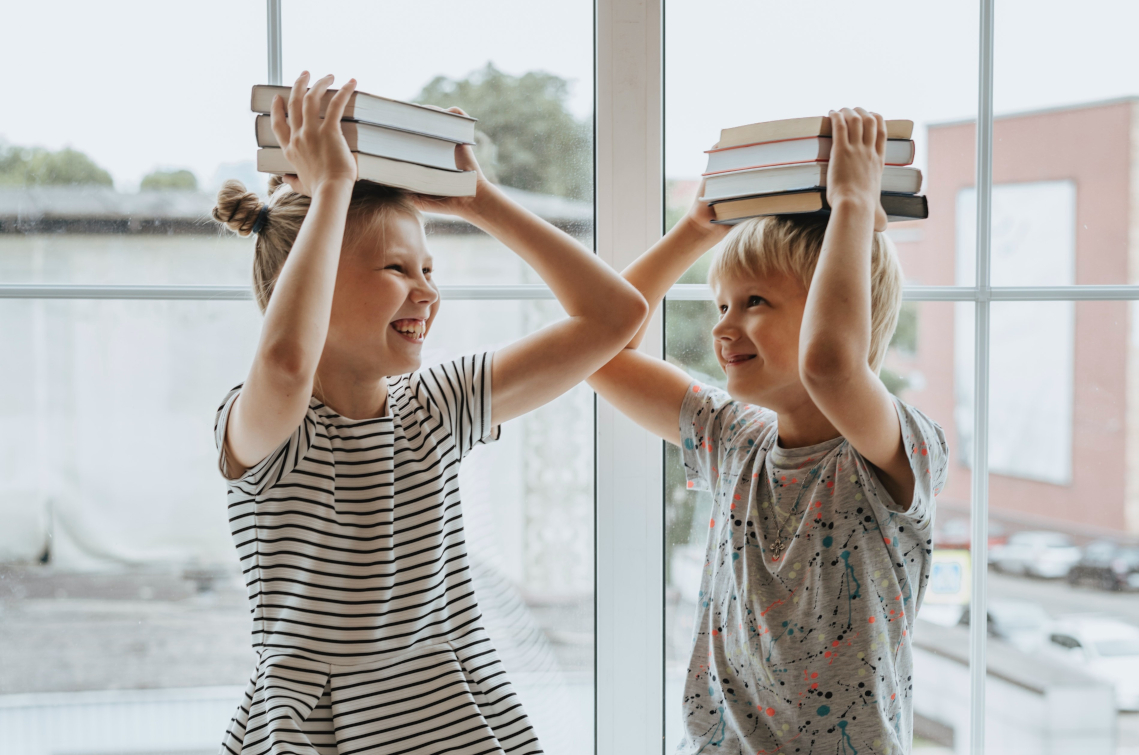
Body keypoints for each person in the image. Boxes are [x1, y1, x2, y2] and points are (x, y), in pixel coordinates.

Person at [210, 72, 646, 755]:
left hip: (455, 719)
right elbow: (289, 363)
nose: (427, 292)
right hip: (314, 733)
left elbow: (615, 317)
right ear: (312, 281)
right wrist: (329, 189)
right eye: (396, 269)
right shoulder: (268, 430)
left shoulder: (438, 406)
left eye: (430, 269)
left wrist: (484, 203)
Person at [588, 108, 949, 755]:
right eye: (722, 303)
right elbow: (600, 350)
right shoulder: (734, 436)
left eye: (756, 302)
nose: (724, 328)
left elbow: (831, 365)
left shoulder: (895, 448)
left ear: (841, 313)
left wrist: (854, 206)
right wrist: (695, 231)